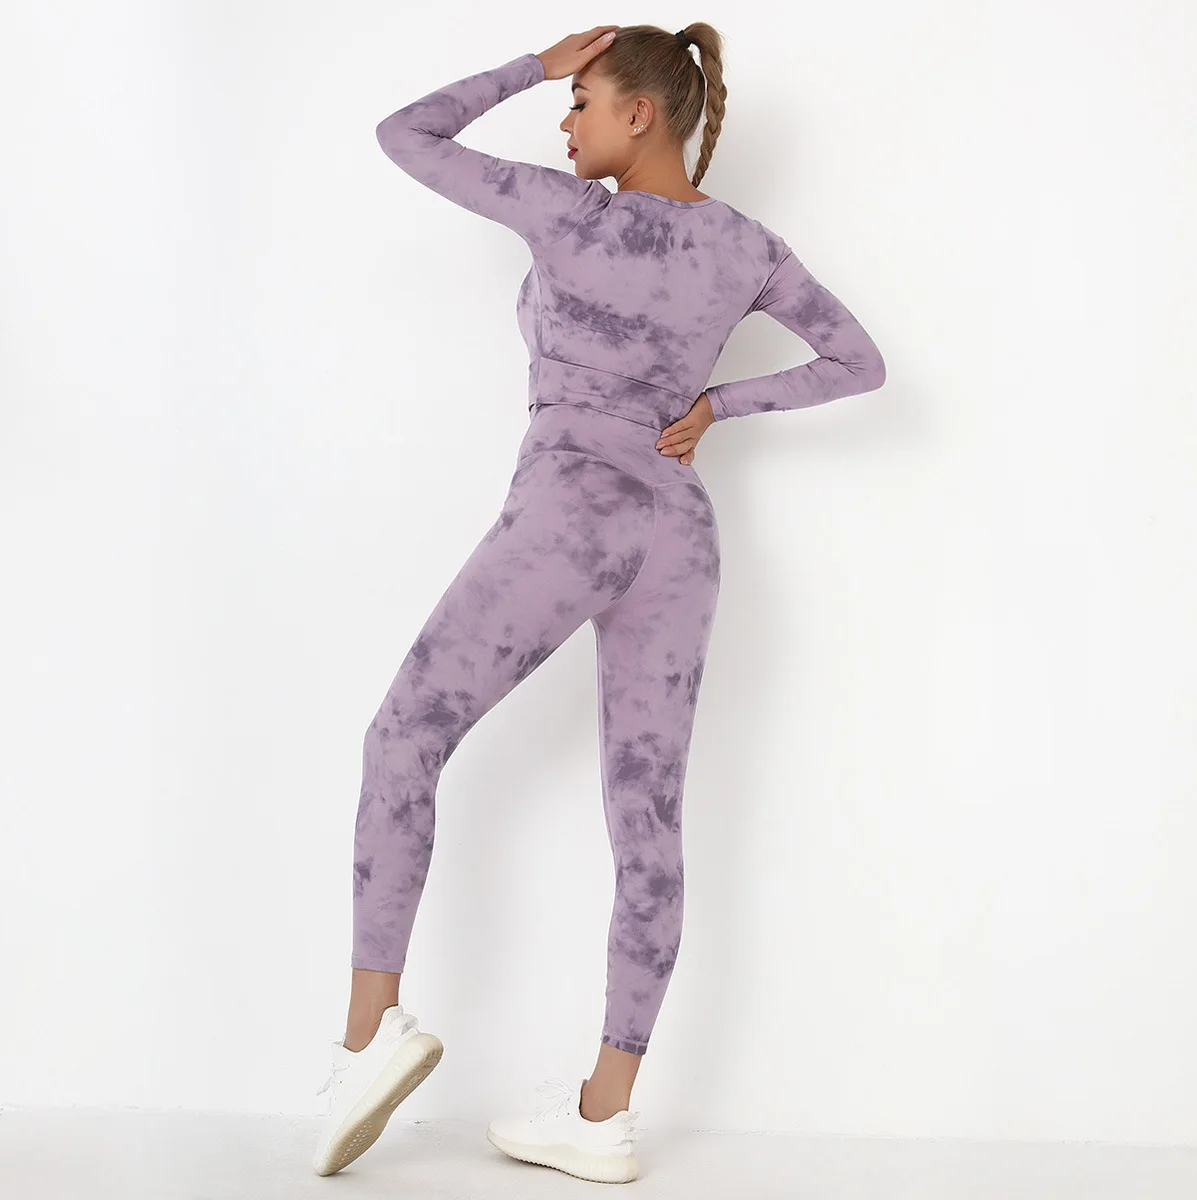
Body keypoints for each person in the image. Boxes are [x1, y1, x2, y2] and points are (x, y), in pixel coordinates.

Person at [312, 23, 886, 1183]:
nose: (562, 122)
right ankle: (603, 1117)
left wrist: (529, 61)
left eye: (580, 101)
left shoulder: (568, 213)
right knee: (647, 823)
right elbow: (858, 362)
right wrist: (715, 406)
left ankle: (368, 1042)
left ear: (642, 114)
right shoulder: (748, 246)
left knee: (403, 738)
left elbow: (404, 134)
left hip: (571, 508)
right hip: (678, 535)